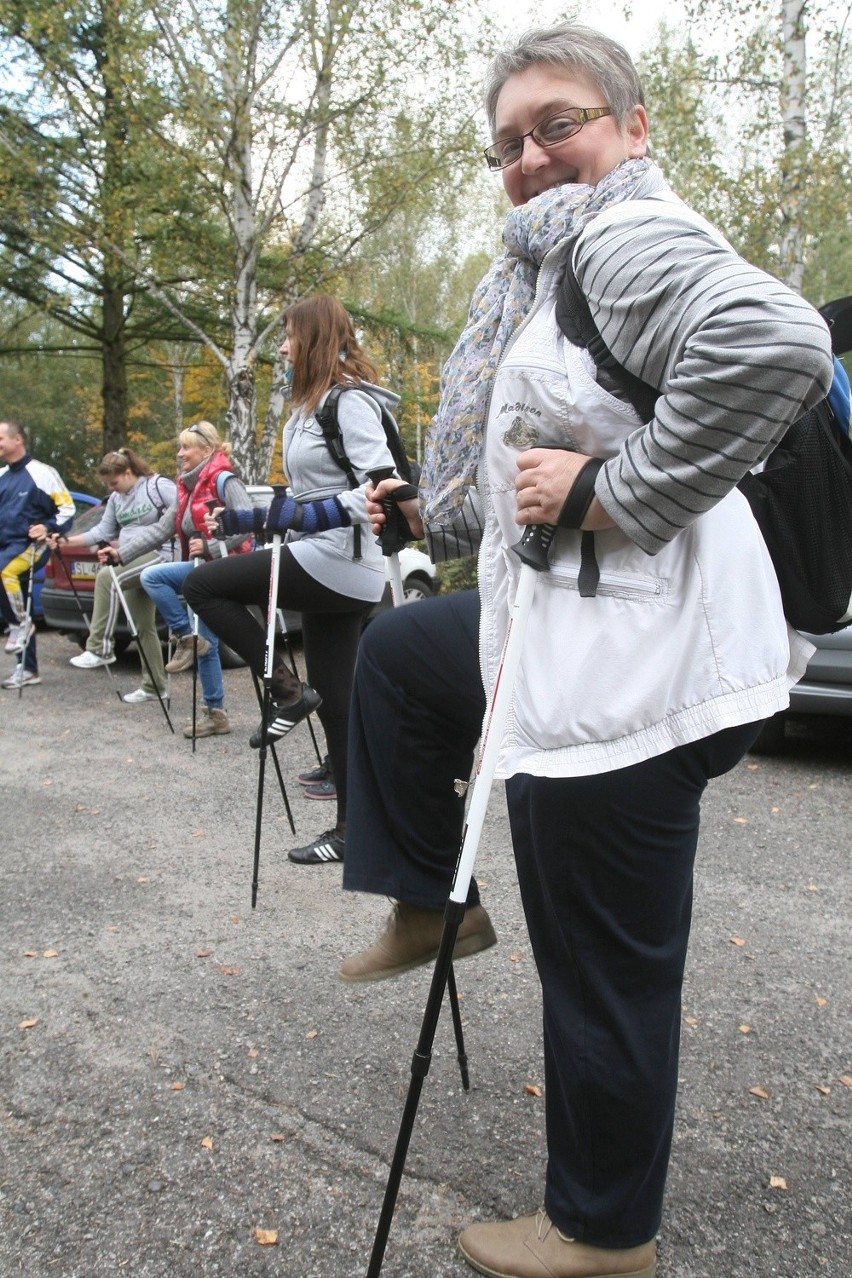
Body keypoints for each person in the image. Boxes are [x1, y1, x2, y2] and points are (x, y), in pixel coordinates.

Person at [338, 22, 834, 1278]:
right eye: (508, 142)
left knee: (602, 965)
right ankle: (431, 899)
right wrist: (444, 504)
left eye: (559, 123)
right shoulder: (544, 265)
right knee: (401, 660)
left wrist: (618, 490)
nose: (532, 155)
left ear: (632, 127)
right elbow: (504, 473)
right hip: (572, 634)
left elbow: (778, 344)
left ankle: (603, 1235)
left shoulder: (621, 234)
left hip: (637, 677)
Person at [184, 294, 402, 865]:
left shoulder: (349, 403)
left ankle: (284, 689)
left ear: (313, 338)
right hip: (325, 557)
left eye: (287, 336)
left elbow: (379, 486)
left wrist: (303, 517)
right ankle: (355, 833)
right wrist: (243, 518)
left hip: (342, 560)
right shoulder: (307, 407)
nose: (281, 347)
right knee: (338, 704)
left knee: (202, 587)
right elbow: (300, 500)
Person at [138, 421, 253, 739]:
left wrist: (214, 543)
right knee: (208, 645)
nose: (179, 453)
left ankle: (184, 637)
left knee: (153, 576)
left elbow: (247, 523)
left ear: (207, 450)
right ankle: (215, 714)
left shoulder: (224, 479)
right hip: (203, 571)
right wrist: (120, 552)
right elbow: (162, 530)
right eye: (179, 446)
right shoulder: (187, 487)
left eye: (186, 447)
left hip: (226, 569)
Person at [54, 448, 176, 704]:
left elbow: (181, 510)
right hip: (131, 558)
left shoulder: (156, 486)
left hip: (161, 553)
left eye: (115, 482)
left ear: (129, 472)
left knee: (107, 577)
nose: (112, 488)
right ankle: (154, 686)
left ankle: (99, 647)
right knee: (142, 625)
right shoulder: (116, 499)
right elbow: (102, 531)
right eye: (108, 484)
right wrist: (65, 542)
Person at [0, 419, 75, 689]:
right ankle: (28, 668)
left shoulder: (41, 472)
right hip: (6, 546)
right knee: (20, 604)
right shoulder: (2, 476)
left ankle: (20, 624)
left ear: (17, 439)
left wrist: (48, 526)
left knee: (4, 572)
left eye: (0, 439)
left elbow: (67, 508)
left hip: (32, 544)